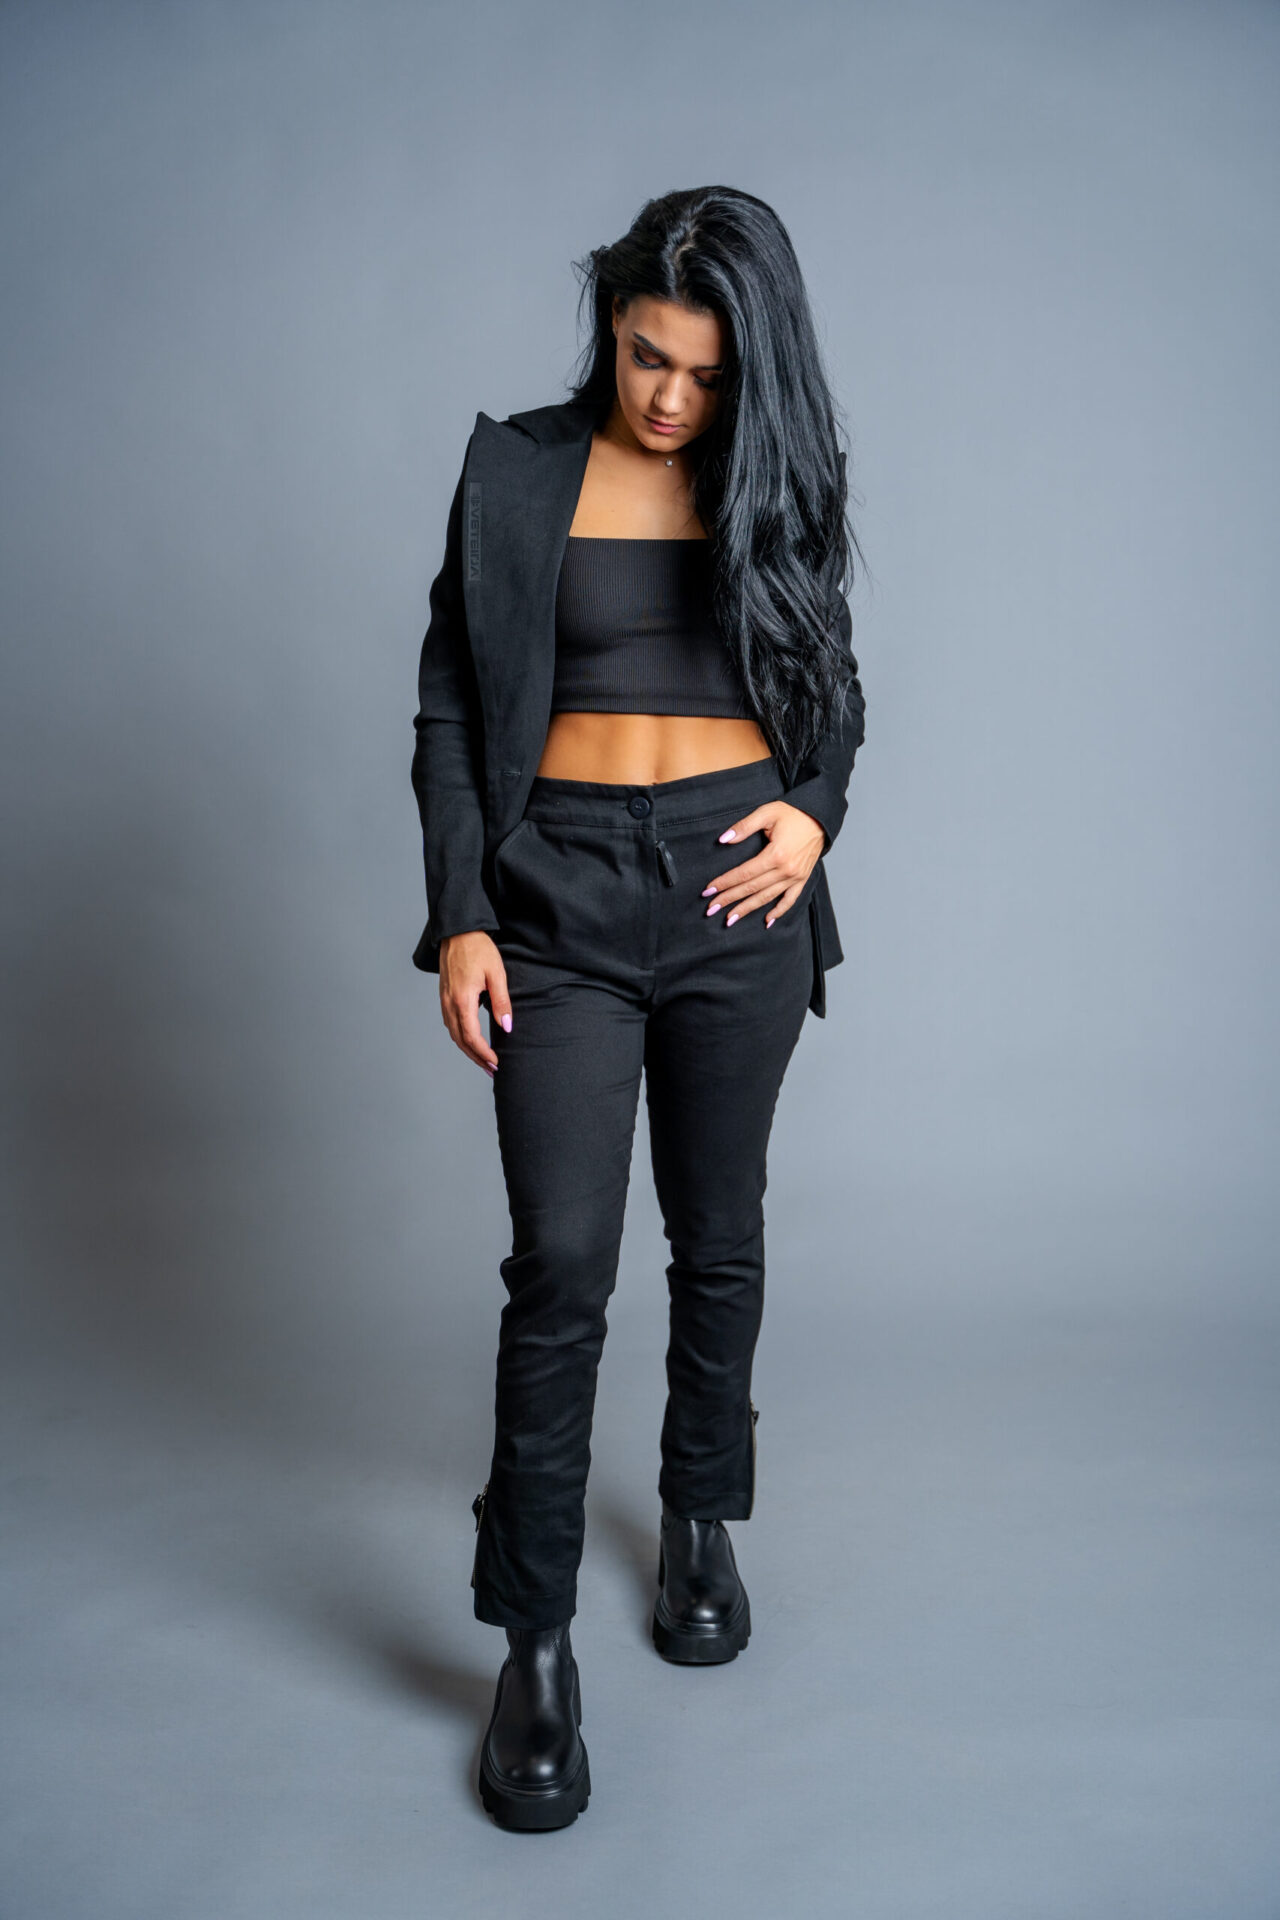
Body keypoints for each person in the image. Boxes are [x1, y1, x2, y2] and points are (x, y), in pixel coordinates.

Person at [410, 185, 867, 1831]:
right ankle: (533, 1639)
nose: (670, 395)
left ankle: (697, 1517)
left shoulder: (780, 478)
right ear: (610, 324)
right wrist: (462, 916)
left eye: (705, 373)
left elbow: (836, 692)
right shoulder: (518, 472)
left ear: (753, 370)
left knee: (720, 1232)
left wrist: (814, 815)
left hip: (741, 897)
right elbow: (450, 700)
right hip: (561, 906)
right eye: (646, 355)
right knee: (563, 1264)